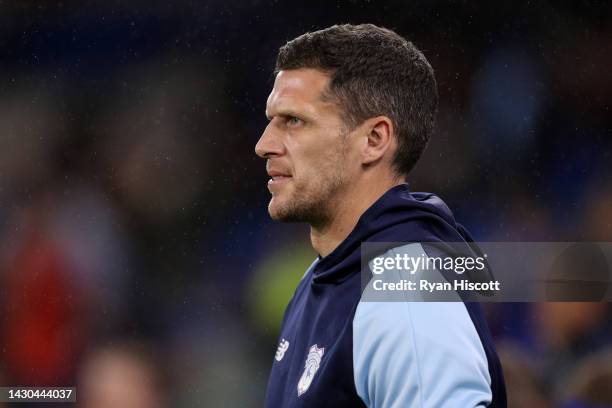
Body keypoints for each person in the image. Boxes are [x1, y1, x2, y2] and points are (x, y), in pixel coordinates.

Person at [255, 23, 506, 407]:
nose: (264, 145)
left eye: (294, 121)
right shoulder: (326, 274)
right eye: (272, 120)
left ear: (374, 140)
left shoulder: (405, 289)